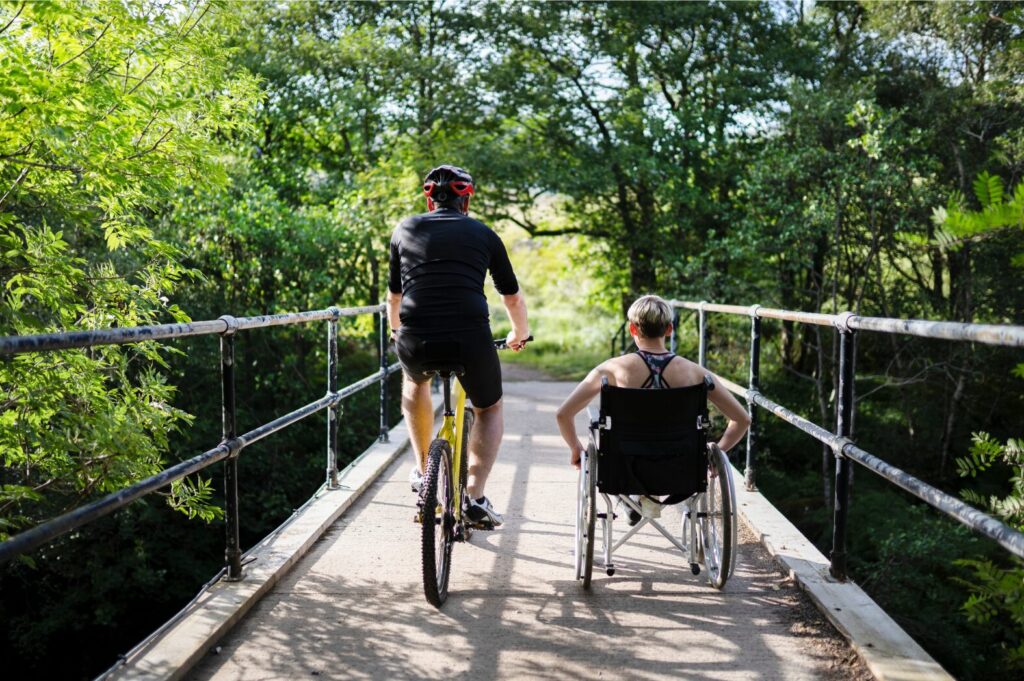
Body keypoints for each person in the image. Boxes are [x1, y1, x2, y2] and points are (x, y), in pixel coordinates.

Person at [387, 164, 530, 529]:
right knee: (490, 408)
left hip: (416, 334)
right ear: (466, 199)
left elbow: (394, 297)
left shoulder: (405, 229)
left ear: (430, 198)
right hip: (470, 335)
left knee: (415, 382)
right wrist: (519, 335)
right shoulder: (483, 234)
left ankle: (423, 474)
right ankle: (475, 496)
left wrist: (396, 333)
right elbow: (511, 298)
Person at [555, 294, 750, 519]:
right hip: (682, 472)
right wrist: (717, 453)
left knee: (611, 448)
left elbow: (563, 414)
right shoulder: (696, 373)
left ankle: (633, 501)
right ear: (669, 329)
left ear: (632, 330)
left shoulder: (611, 370)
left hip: (624, 470)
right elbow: (742, 419)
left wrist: (576, 449)